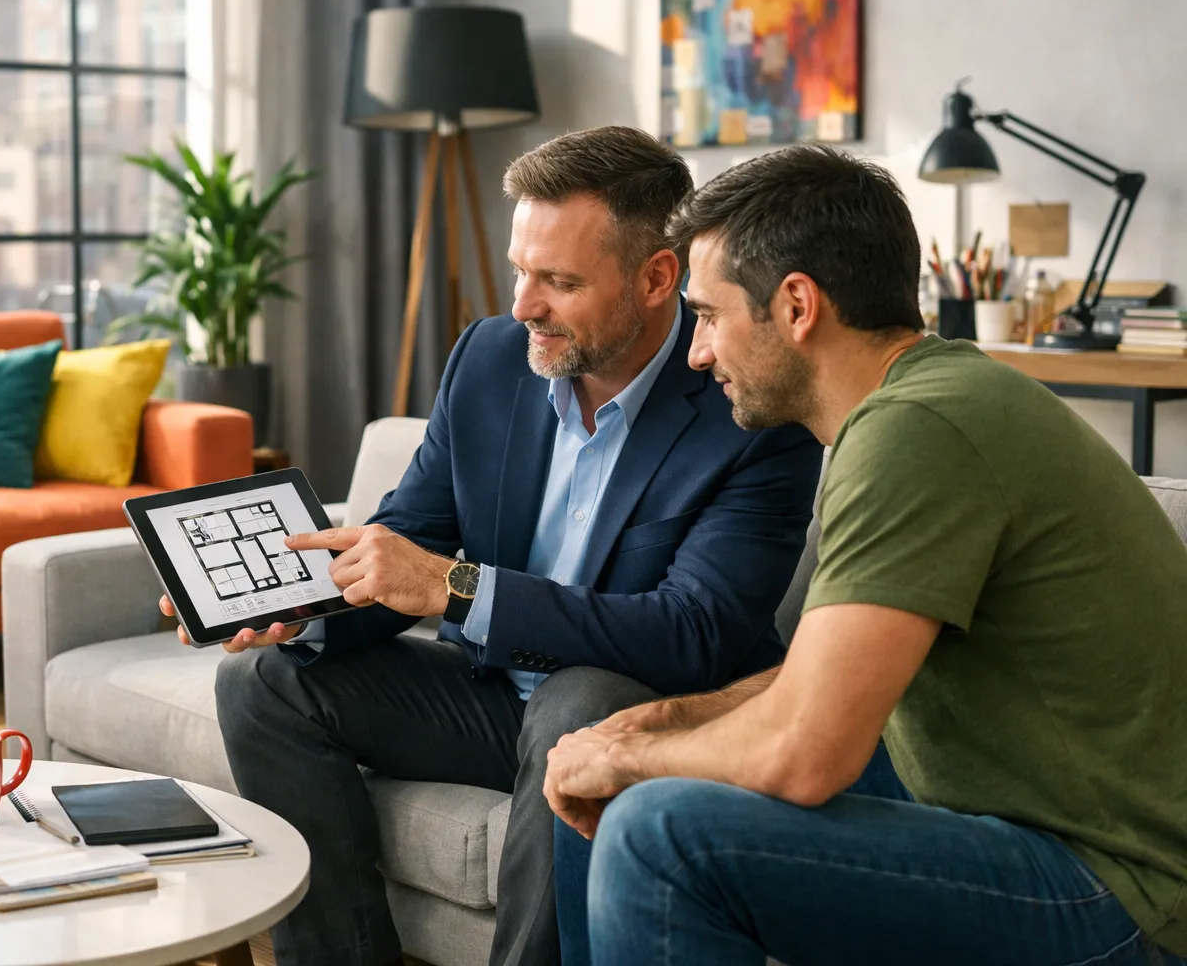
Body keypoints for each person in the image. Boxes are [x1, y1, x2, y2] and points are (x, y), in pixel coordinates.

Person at [158, 126, 823, 966]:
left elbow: (695, 635)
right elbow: (414, 536)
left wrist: (461, 592)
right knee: (262, 681)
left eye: (559, 281)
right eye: (519, 268)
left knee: (578, 704)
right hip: (484, 698)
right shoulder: (491, 358)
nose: (522, 305)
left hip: (638, 707)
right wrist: (299, 607)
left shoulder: (745, 407)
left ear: (659, 277)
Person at [544, 143, 1187, 966]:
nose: (698, 355)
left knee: (657, 829)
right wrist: (657, 723)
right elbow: (829, 674)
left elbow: (806, 753)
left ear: (799, 305)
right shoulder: (923, 400)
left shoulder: (916, 431)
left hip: (1119, 885)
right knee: (604, 767)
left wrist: (632, 756)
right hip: (1020, 812)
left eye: (708, 316)